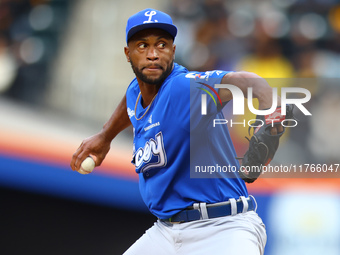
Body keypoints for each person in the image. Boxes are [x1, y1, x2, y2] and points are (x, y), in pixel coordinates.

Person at [70, 8, 283, 255]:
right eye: (142, 46)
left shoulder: (185, 89)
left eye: (161, 44)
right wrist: (105, 135)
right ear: (128, 54)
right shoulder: (137, 91)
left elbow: (250, 82)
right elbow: (131, 100)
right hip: (166, 232)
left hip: (224, 227)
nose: (152, 54)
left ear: (172, 50)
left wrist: (272, 116)